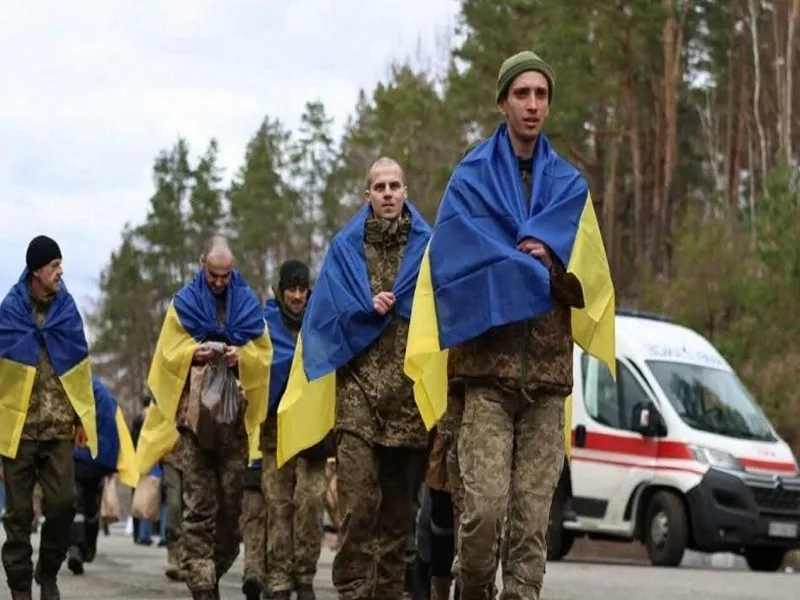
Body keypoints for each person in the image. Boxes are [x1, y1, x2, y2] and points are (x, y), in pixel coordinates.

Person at [404, 51, 616, 600]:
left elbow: (588, 284)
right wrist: (510, 262)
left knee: (530, 530)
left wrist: (551, 261)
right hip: (484, 377)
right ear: (502, 103)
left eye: (541, 95)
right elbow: (450, 269)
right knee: (481, 516)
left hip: (546, 379)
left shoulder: (569, 187)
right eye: (522, 94)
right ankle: (471, 589)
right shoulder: (470, 180)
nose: (532, 104)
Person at [276, 157, 432, 600]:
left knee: (397, 517)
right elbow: (325, 316)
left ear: (405, 192)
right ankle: (352, 591)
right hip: (357, 395)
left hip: (406, 400)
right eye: (379, 187)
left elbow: (442, 308)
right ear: (368, 195)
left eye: (394, 185)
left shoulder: (427, 248)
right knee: (358, 505)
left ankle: (388, 593)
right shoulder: (346, 249)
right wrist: (364, 306)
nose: (388, 193)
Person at [135, 235, 273, 600]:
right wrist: (191, 353)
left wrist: (241, 356)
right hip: (194, 425)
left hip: (235, 427)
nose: (220, 282)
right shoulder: (184, 304)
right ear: (202, 264)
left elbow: (264, 354)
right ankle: (202, 587)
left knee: (232, 514)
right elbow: (166, 354)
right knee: (198, 510)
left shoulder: (247, 303)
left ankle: (210, 569)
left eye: (226, 275)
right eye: (214, 274)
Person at [0, 235, 99, 600]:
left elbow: (79, 365)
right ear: (36, 271)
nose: (61, 272)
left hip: (58, 428)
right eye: (54, 266)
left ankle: (48, 572)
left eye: (60, 265)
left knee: (62, 505)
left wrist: (80, 418)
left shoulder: (67, 311)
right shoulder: (9, 312)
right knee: (18, 514)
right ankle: (20, 585)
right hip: (19, 430)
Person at [257, 259, 328, 600]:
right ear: (281, 291)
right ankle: (279, 578)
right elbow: (256, 365)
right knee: (278, 504)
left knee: (311, 502)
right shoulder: (264, 325)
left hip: (312, 428)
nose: (297, 296)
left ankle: (305, 574)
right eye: (291, 290)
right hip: (275, 427)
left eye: (302, 289)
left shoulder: (320, 320)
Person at [67, 375, 138, 575]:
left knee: (76, 503)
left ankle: (76, 546)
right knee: (91, 505)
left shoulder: (71, 387)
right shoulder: (104, 395)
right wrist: (110, 464)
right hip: (96, 460)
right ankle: (87, 547)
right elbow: (113, 428)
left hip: (76, 456)